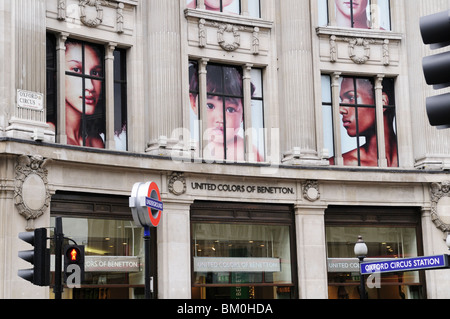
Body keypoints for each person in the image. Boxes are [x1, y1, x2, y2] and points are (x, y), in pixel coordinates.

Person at [189, 64, 263, 162]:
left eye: (230, 109)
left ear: (244, 114)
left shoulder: (248, 152)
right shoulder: (194, 150)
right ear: (193, 103)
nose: (220, 119)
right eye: (210, 106)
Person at [329, 77, 398, 167]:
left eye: (351, 97)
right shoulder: (338, 164)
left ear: (382, 101)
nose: (341, 109)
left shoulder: (414, 160)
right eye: (342, 100)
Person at [65, 40, 105, 148]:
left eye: (95, 73)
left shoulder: (96, 142)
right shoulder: (49, 134)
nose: (90, 86)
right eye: (76, 70)